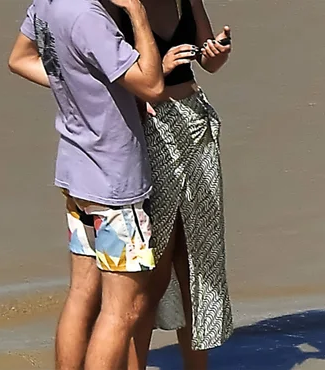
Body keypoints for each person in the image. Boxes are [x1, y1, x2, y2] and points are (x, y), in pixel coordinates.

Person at [7, 0, 168, 369]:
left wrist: (85, 86)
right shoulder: (89, 17)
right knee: (122, 311)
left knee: (81, 294)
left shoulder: (49, 6)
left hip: (77, 175)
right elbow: (153, 84)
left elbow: (20, 58)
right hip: (114, 183)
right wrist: (137, 12)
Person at [117, 0, 235, 368]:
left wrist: (217, 51)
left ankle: (197, 365)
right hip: (152, 132)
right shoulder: (121, 8)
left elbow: (209, 63)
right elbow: (104, 73)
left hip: (196, 126)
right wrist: (157, 69)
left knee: (198, 257)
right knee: (154, 263)